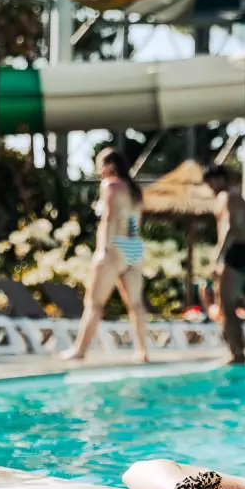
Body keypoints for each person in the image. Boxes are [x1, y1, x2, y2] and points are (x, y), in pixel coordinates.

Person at [60, 148, 150, 363]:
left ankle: (80, 350)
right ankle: (142, 351)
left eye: (100, 165)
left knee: (94, 302)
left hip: (114, 246)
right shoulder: (135, 191)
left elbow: (108, 218)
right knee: (136, 304)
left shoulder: (111, 185)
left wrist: (102, 249)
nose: (99, 171)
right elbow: (135, 223)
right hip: (133, 247)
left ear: (110, 165)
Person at [202, 164, 245, 364]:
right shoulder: (237, 196)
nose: (210, 187)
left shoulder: (226, 196)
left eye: (210, 182)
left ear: (219, 179)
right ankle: (239, 350)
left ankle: (235, 352)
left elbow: (228, 226)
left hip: (234, 250)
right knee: (228, 303)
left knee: (226, 305)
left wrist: (218, 254)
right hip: (244, 250)